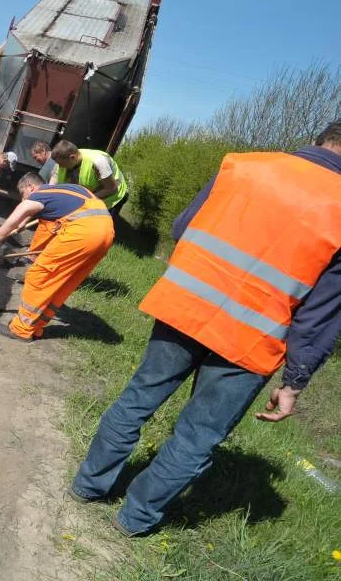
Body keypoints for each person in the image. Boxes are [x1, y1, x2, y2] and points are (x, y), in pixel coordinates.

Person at [70, 121, 341, 537]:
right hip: (251, 339)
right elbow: (320, 314)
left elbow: (182, 228)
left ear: (320, 139)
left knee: (138, 399)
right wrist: (294, 382)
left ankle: (89, 486)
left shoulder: (243, 165)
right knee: (197, 435)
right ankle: (134, 519)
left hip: (185, 307)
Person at [0, 172, 114, 341]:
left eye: (22, 195)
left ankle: (21, 329)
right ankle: (37, 327)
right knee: (62, 282)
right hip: (106, 233)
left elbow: (2, 232)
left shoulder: (37, 196)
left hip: (83, 233)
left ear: (31, 187)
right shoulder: (64, 190)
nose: (22, 200)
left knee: (37, 276)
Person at [48, 140, 129, 221]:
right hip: (89, 196)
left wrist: (84, 200)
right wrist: (48, 193)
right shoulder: (63, 159)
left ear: (72, 158)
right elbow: (55, 174)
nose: (60, 167)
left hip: (112, 198)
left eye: (62, 164)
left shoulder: (98, 162)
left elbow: (112, 188)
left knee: (97, 227)